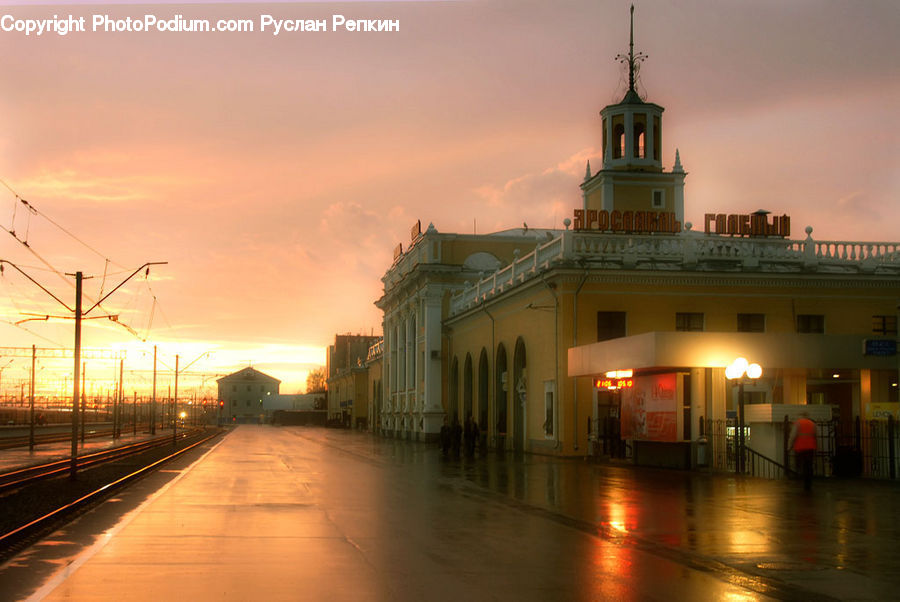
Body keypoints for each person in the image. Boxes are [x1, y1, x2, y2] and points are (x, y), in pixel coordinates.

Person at [788, 411, 817, 491]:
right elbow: (816, 436)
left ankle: (799, 478)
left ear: (800, 416)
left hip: (800, 447)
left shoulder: (798, 423)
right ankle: (808, 483)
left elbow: (792, 436)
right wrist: (817, 447)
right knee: (808, 466)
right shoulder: (812, 424)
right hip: (810, 447)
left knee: (799, 464)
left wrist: (789, 446)